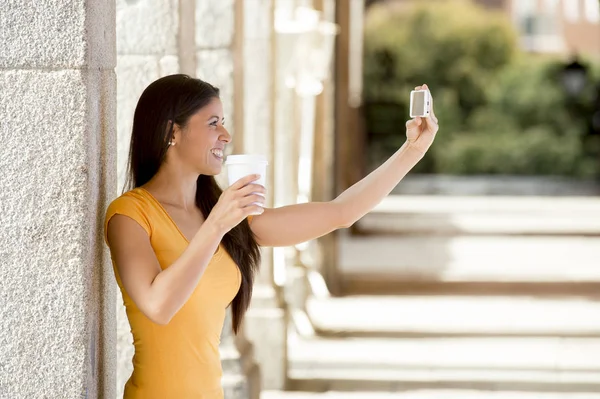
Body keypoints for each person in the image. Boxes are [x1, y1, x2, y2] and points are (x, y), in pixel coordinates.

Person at [104, 74, 438, 398]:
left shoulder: (222, 215)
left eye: (223, 122)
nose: (226, 134)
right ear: (171, 132)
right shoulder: (130, 214)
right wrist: (218, 224)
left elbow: (340, 213)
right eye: (213, 123)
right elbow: (159, 306)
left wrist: (412, 151)